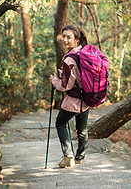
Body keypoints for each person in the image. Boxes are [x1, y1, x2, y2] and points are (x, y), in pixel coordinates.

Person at [49, 24, 89, 168]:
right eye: (63, 36)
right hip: (87, 98)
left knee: (60, 122)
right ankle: (80, 157)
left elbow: (66, 86)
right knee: (82, 129)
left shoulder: (69, 59)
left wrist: (54, 80)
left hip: (73, 101)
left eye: (68, 37)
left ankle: (68, 157)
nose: (65, 40)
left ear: (76, 40)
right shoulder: (84, 52)